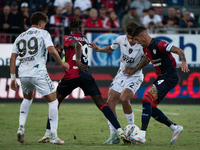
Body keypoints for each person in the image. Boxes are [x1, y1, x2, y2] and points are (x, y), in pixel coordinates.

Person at [38, 17, 126, 143]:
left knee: (55, 102)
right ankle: (120, 131)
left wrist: (77, 61)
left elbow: (77, 47)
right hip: (86, 75)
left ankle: (48, 133)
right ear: (81, 28)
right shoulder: (85, 39)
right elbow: (69, 57)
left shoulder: (68, 37)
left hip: (72, 75)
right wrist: (62, 52)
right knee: (101, 103)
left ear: (70, 27)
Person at [10, 12, 69, 144]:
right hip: (38, 72)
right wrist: (62, 62)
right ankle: (53, 135)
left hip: (23, 73)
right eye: (44, 25)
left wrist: (13, 78)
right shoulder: (43, 33)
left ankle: (21, 127)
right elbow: (51, 50)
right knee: (53, 101)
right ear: (41, 23)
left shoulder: (20, 36)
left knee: (27, 99)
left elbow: (13, 58)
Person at [123, 26, 190, 144]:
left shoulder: (160, 44)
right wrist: (134, 70)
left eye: (137, 39)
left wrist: (183, 61)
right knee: (151, 108)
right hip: (161, 77)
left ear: (143, 36)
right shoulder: (145, 48)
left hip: (169, 76)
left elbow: (179, 50)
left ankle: (142, 135)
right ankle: (174, 127)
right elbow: (147, 60)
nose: (136, 42)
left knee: (146, 98)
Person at [89, 21, 144, 144]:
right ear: (126, 35)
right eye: (130, 38)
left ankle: (132, 132)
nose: (132, 41)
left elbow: (147, 58)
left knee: (124, 99)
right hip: (121, 75)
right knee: (110, 102)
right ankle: (113, 136)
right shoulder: (120, 39)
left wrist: (135, 69)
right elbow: (111, 48)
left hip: (135, 76)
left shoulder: (142, 44)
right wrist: (99, 50)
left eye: (134, 38)